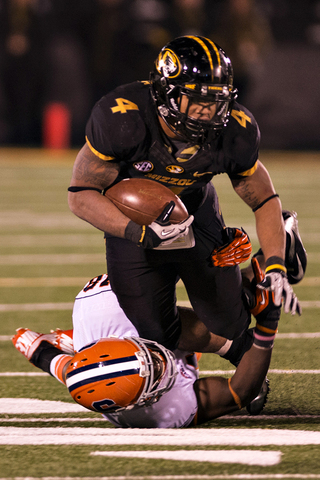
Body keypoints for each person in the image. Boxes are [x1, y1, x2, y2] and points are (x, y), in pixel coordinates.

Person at [67, 35, 303, 359]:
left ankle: (268, 267)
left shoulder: (235, 129)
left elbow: (263, 199)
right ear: (167, 93)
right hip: (135, 219)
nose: (210, 112)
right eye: (199, 100)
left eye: (217, 100)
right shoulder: (123, 119)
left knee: (229, 320)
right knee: (156, 331)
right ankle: (240, 341)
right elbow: (81, 194)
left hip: (195, 207)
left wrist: (276, 267)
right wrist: (137, 232)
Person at [13, 258, 280, 428]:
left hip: (109, 312)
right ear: (144, 400)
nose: (162, 361)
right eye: (156, 371)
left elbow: (57, 363)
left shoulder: (101, 308)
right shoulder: (164, 413)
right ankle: (261, 271)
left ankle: (238, 334)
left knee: (186, 259)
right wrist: (268, 325)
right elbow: (240, 391)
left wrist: (39, 349)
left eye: (151, 357)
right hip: (103, 341)